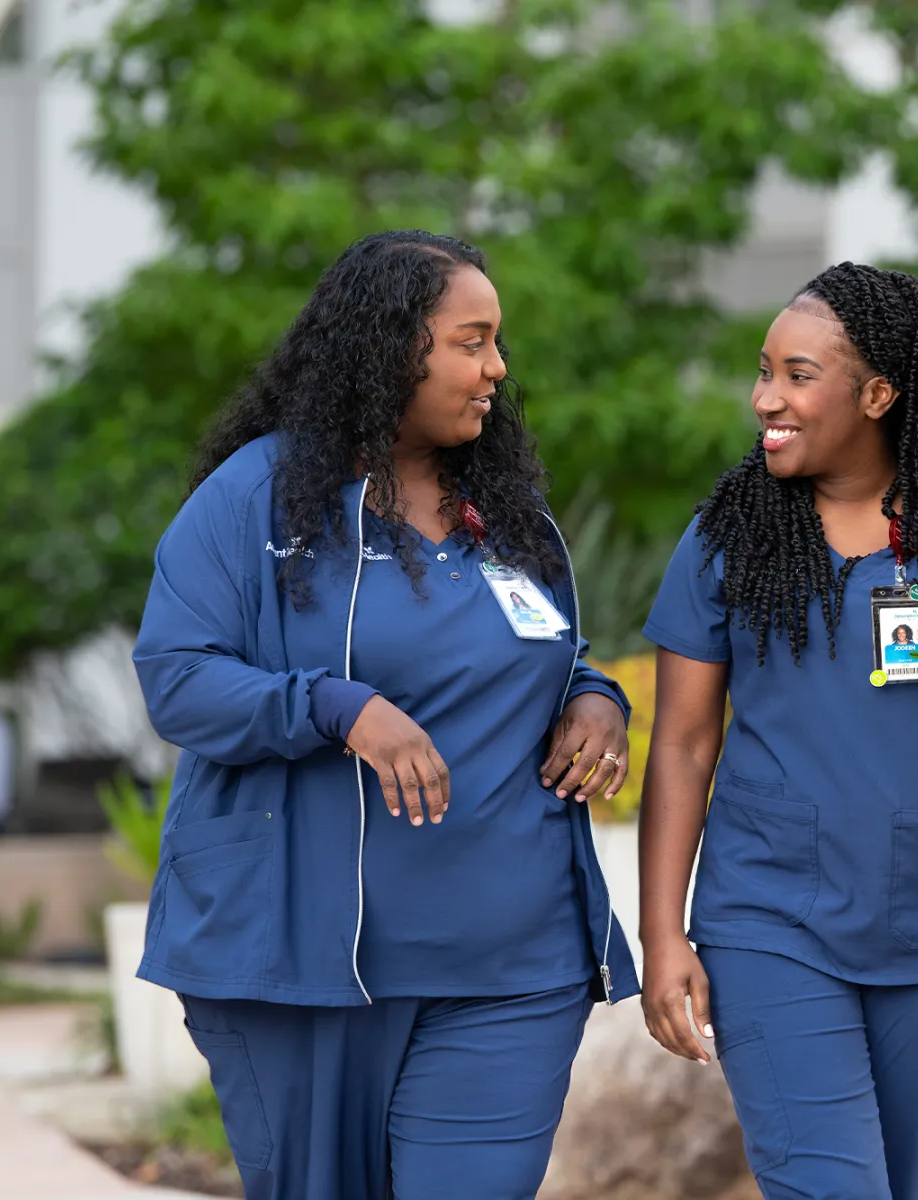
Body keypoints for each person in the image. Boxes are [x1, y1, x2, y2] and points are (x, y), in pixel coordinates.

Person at [131, 230, 638, 1200]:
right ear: (386, 348)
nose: (496, 368)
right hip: (309, 969)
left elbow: (543, 654)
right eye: (471, 341)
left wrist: (592, 696)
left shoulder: (506, 512)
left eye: (497, 344)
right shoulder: (258, 500)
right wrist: (335, 708)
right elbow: (178, 678)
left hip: (511, 960)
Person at [637, 262, 918, 1199]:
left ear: (878, 393)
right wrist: (663, 935)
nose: (767, 398)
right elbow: (682, 746)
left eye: (798, 376)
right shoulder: (728, 538)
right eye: (764, 371)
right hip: (771, 921)